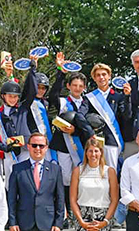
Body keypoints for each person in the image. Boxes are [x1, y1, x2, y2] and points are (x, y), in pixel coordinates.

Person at [48, 52, 95, 212]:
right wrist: (61, 72)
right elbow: (52, 94)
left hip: (82, 146)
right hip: (64, 146)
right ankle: (66, 211)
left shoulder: (88, 102)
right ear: (69, 86)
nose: (77, 88)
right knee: (66, 179)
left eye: (81, 86)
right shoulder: (62, 101)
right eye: (74, 85)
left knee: (83, 179)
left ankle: (82, 211)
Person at [0, 56, 41, 179]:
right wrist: (4, 147)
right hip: (10, 154)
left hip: (25, 152)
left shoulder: (23, 108)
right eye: (10, 96)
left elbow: (32, 91)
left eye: (15, 97)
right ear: (3, 96)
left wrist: (32, 70)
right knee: (11, 183)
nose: (13, 99)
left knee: (28, 180)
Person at [78, 62, 127, 169]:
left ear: (109, 76)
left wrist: (129, 97)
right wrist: (90, 133)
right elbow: (79, 116)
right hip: (95, 142)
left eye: (104, 74)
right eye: (98, 75)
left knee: (112, 175)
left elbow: (126, 116)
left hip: (113, 141)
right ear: (94, 78)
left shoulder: (119, 97)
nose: (101, 77)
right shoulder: (89, 98)